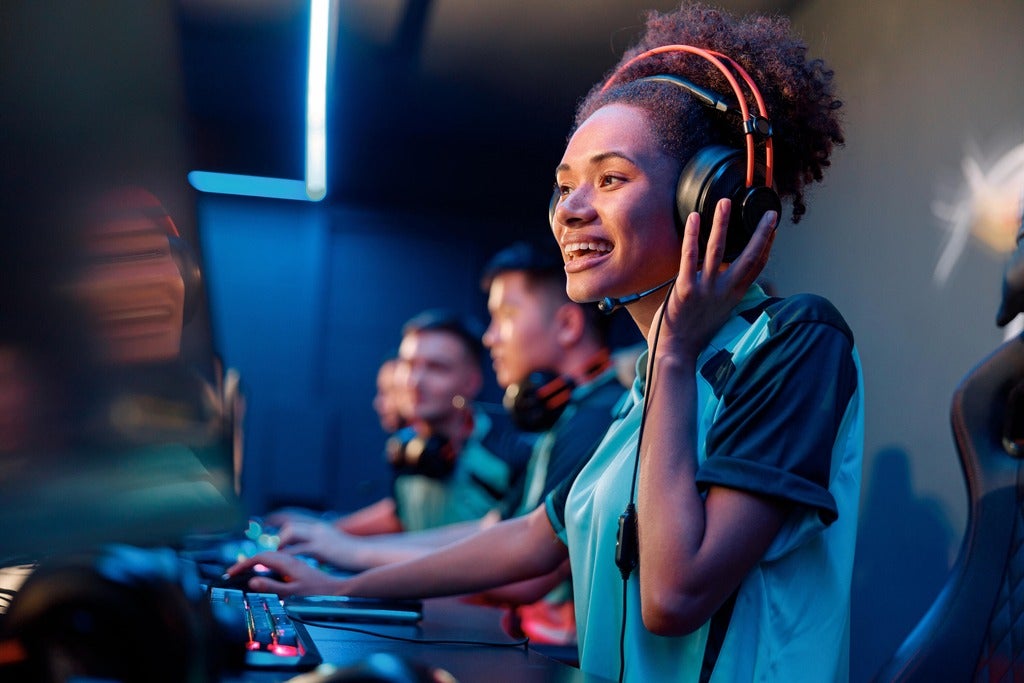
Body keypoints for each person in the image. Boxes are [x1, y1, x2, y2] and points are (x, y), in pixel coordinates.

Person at [229, 4, 862, 682]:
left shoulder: (794, 343)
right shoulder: (646, 385)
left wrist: (676, 353)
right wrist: (332, 588)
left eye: (611, 178)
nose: (572, 209)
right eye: (564, 187)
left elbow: (674, 594)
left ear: (704, 199)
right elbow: (533, 536)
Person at [270, 241, 626, 646]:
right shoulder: (570, 417)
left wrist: (351, 565)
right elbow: (494, 530)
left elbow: (527, 570)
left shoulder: (598, 418)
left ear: (566, 325)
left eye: (504, 316)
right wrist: (342, 547)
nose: (491, 337)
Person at [322, 309, 526, 536]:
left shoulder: (510, 454)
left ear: (471, 382)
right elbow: (401, 517)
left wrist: (348, 549)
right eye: (408, 365)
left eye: (436, 367)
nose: (414, 381)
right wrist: (324, 530)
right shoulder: (407, 448)